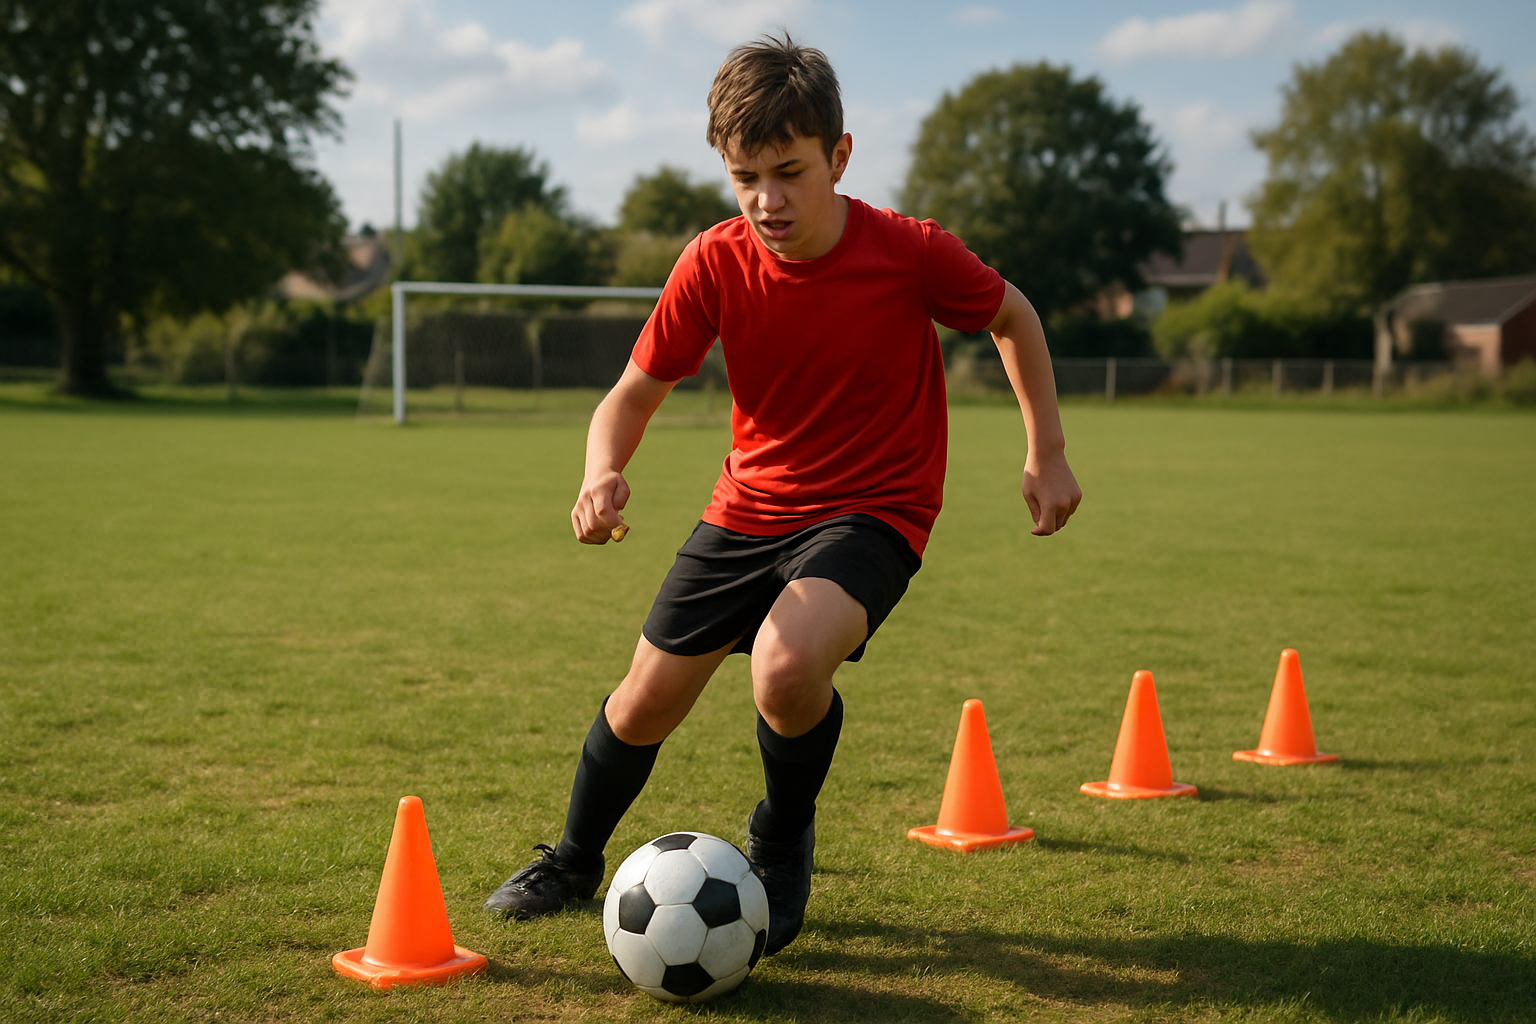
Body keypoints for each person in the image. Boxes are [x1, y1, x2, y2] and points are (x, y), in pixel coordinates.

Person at [484, 34, 1081, 956]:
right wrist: (600, 469)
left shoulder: (910, 253)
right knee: (643, 702)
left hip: (875, 509)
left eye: (790, 172)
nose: (767, 199)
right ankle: (570, 860)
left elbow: (1014, 316)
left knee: (785, 666)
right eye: (745, 176)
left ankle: (781, 838)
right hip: (746, 510)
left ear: (840, 157)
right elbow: (632, 393)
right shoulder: (714, 263)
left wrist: (1047, 451)